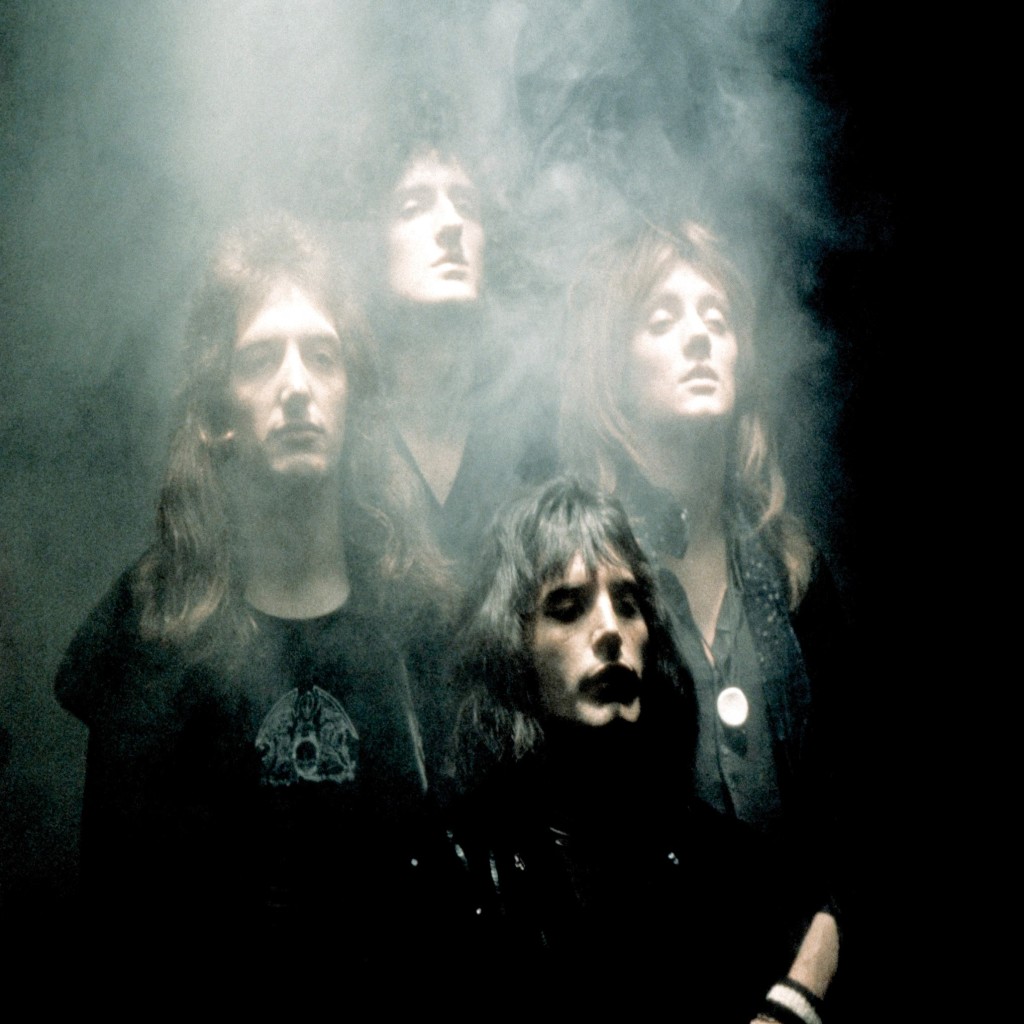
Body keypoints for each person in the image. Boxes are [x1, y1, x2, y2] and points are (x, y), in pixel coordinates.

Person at [54, 213, 448, 958]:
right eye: (262, 358)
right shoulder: (149, 634)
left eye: (323, 356)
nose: (297, 386)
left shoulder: (419, 628)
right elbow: (119, 923)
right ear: (216, 417)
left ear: (353, 399)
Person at [560, 220, 847, 1019]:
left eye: (717, 319)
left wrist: (800, 992)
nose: (698, 337)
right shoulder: (580, 584)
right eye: (663, 319)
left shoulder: (795, 572)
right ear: (612, 371)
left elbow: (857, 814)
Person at [446, 477, 822, 1018]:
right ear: (514, 644)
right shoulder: (461, 868)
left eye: (627, 604)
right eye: (568, 607)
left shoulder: (714, 857)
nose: (610, 630)